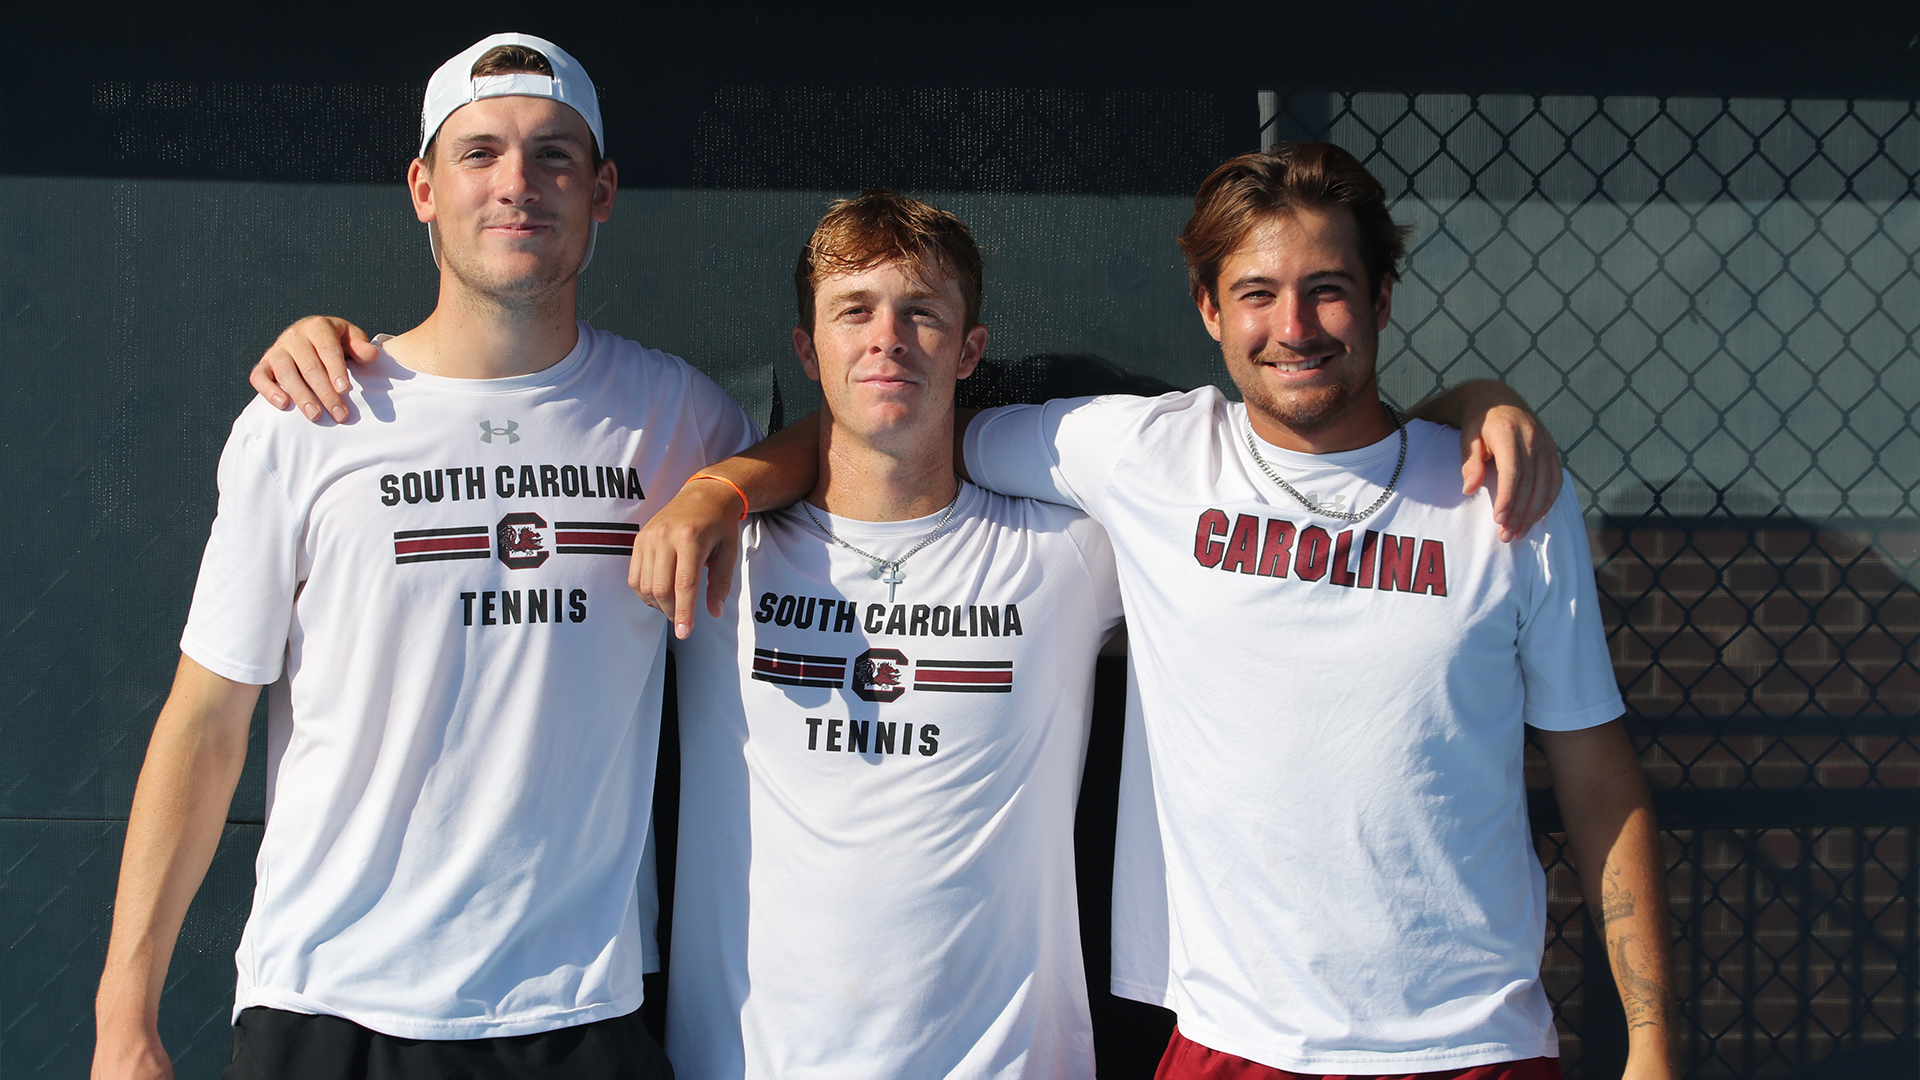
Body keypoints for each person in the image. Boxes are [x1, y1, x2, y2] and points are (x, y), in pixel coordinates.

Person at [629, 144, 1679, 1080]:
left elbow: (1597, 772)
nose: (1294, 326)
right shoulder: (1139, 463)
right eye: (1258, 293)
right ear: (1211, 312)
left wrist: (1479, 402)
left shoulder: (1499, 499)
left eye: (1327, 290)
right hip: (1223, 1040)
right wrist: (717, 490)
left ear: (1382, 298)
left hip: (1466, 1044)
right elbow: (883, 425)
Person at [92, 33, 754, 1080]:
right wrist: (123, 1015)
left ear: (602, 192)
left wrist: (726, 486)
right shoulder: (306, 417)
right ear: (423, 189)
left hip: (576, 1010)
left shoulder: (679, 419)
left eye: (553, 156)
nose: (516, 183)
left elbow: (836, 460)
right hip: (328, 1004)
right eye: (479, 152)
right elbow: (207, 721)